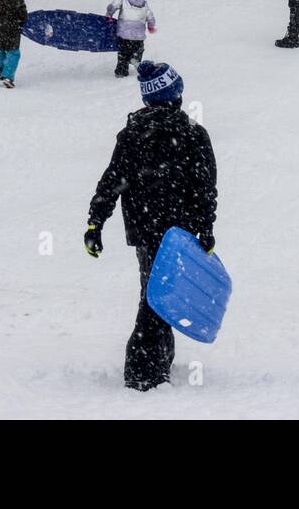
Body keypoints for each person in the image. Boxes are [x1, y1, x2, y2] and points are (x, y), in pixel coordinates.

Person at [83, 60, 218, 392]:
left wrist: (95, 222)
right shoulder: (192, 134)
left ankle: (156, 363)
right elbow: (205, 188)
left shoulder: (133, 135)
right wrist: (205, 227)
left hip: (147, 231)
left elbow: (112, 181)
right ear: (175, 96)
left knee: (157, 293)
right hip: (179, 233)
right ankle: (144, 371)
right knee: (157, 297)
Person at [106, 0, 157, 78]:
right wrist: (151, 26)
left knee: (123, 54)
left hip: (124, 35)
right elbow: (150, 17)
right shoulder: (144, 3)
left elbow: (112, 7)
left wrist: (109, 15)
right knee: (138, 50)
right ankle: (135, 59)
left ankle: (121, 71)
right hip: (138, 36)